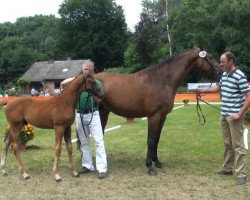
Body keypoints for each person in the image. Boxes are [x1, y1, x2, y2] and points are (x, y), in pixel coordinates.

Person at [196, 52, 250, 185]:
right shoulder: (224, 74)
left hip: (235, 117)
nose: (220, 64)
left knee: (238, 146)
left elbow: (248, 97)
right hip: (224, 115)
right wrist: (203, 91)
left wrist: (238, 114)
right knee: (227, 144)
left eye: (222, 61)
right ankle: (227, 169)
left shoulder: (240, 76)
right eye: (220, 61)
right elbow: (218, 88)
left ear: (231, 61)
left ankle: (241, 174)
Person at [61, 59, 108, 179]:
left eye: (86, 69)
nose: (84, 71)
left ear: (91, 70)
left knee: (98, 141)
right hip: (80, 114)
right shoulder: (78, 84)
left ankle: (102, 168)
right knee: (84, 142)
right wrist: (75, 78)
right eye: (83, 69)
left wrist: (93, 93)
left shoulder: (96, 83)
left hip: (93, 114)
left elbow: (100, 100)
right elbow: (62, 83)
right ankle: (87, 165)